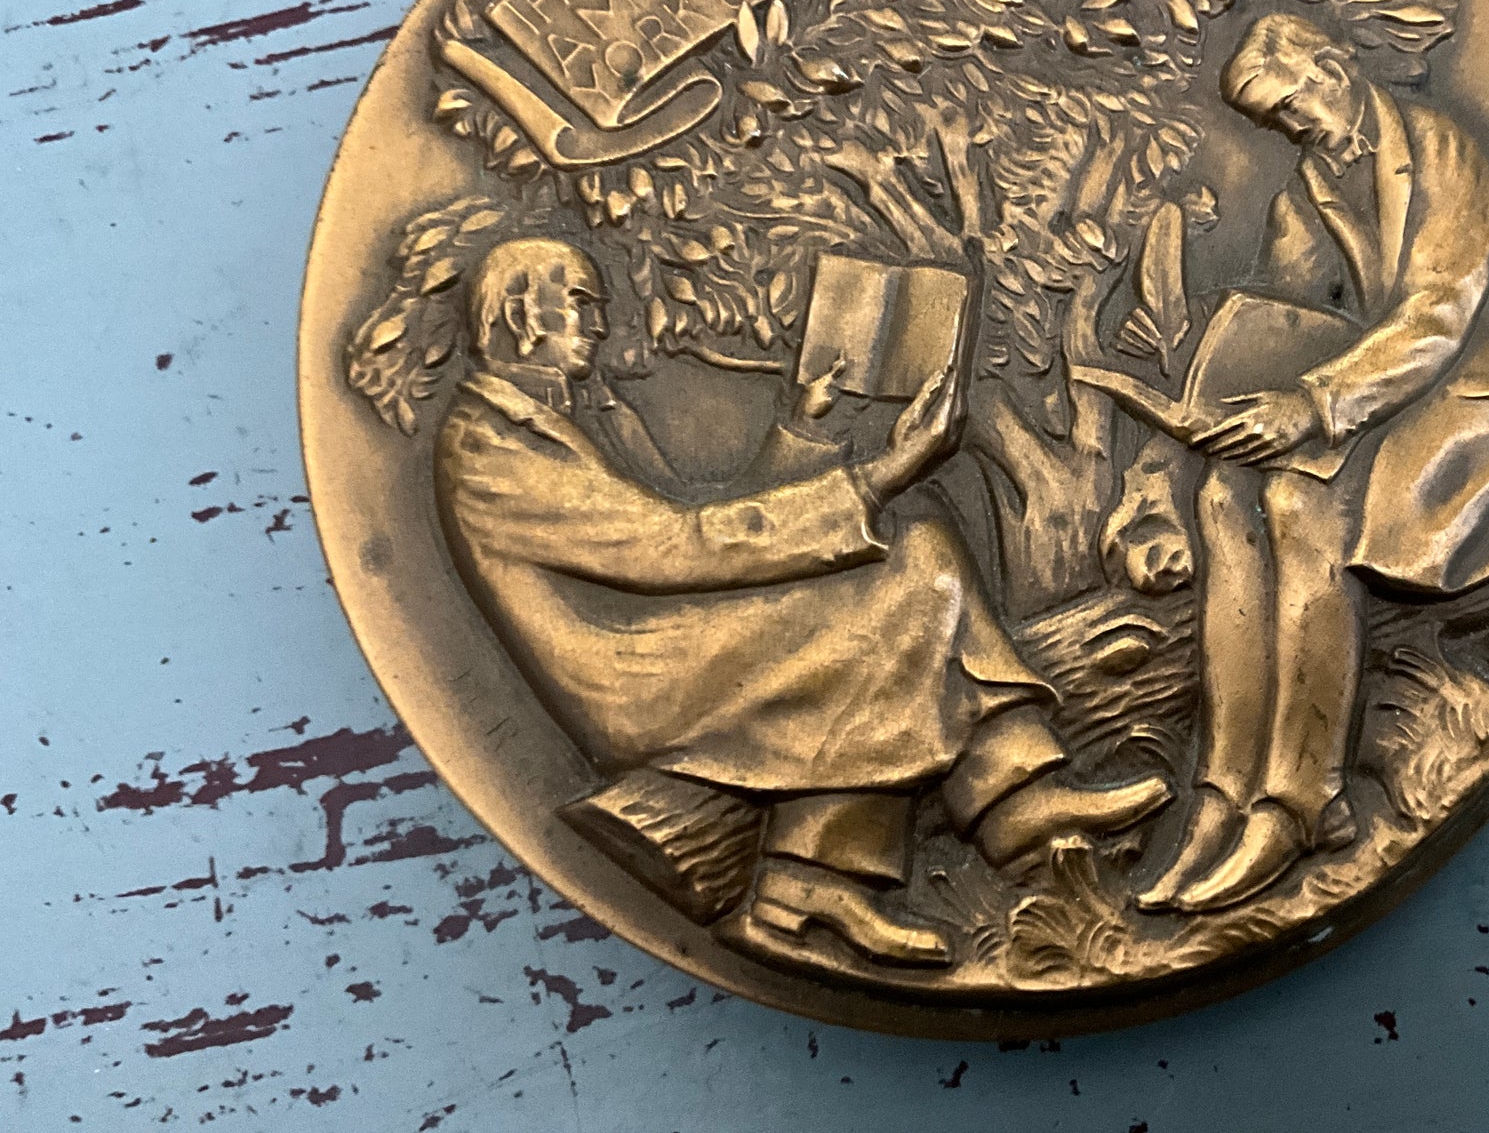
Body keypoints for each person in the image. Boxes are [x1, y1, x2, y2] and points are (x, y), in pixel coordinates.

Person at [435, 237, 1170, 968]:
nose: (598, 324)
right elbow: (678, 546)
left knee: (913, 534)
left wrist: (804, 427)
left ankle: (857, 866)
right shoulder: (489, 447)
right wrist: (880, 474)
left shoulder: (580, 416)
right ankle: (968, 812)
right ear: (521, 315)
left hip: (671, 629)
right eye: (579, 303)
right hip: (636, 670)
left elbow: (706, 518)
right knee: (901, 563)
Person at [1132, 13, 1489, 913]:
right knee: (1222, 497)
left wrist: (1311, 405)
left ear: (1332, 65)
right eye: (1272, 122)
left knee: (1298, 506)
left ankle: (1302, 799)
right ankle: (1225, 791)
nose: (1291, 129)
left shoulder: (1443, 152)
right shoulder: (1309, 187)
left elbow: (1439, 312)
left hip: (1459, 399)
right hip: (1355, 399)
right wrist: (1219, 411)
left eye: (1291, 106)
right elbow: (1280, 319)